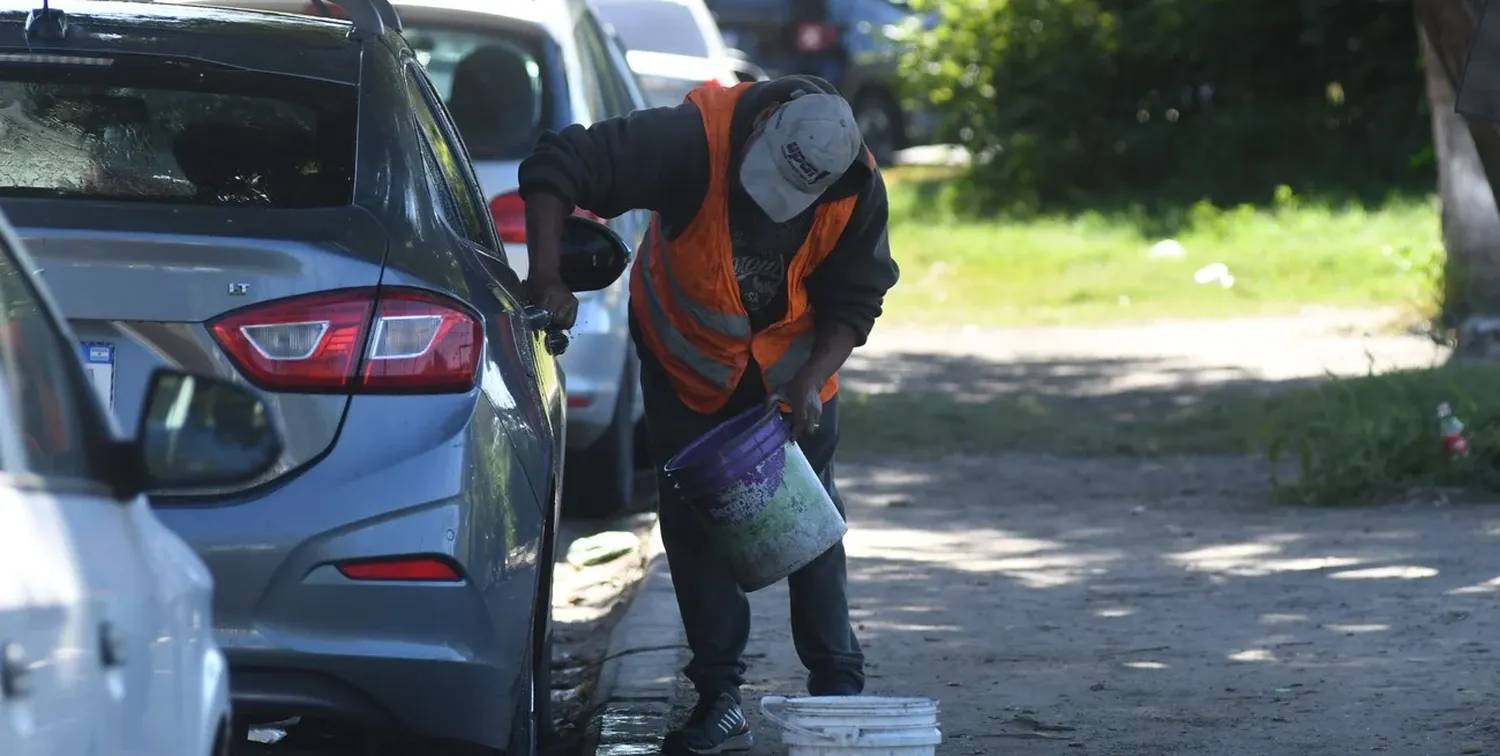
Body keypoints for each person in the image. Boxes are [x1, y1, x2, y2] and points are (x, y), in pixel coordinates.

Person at [518, 74, 900, 755]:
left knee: (810, 528)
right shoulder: (692, 140)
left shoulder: (853, 183)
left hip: (791, 378)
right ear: (763, 130)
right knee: (697, 532)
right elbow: (557, 163)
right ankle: (720, 700)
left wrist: (813, 378)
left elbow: (856, 296)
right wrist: (545, 273)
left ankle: (839, 693)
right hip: (686, 366)